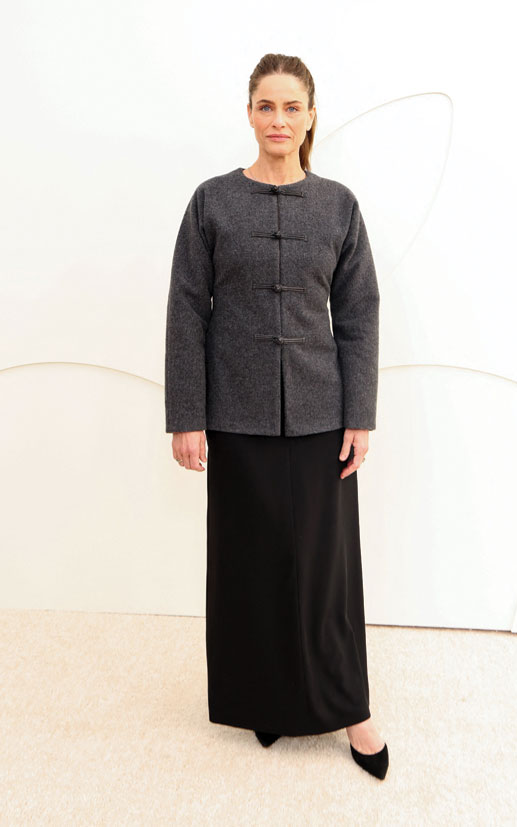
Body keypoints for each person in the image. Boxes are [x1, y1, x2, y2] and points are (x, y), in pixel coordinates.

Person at [164, 53, 389, 780]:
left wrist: (359, 413)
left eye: (292, 107)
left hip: (323, 416)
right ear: (249, 114)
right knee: (250, 567)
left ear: (311, 115)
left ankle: (351, 710)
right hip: (236, 413)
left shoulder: (338, 204)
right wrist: (186, 415)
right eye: (266, 106)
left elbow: (358, 314)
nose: (279, 120)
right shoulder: (211, 202)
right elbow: (186, 312)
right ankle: (266, 699)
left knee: (326, 574)